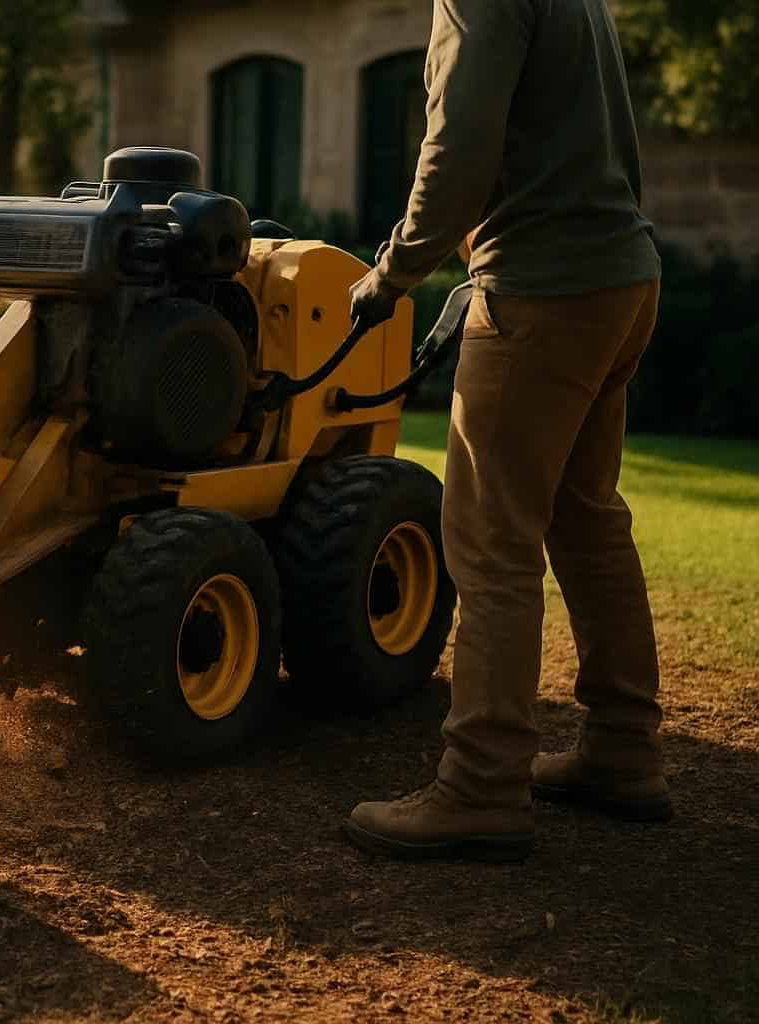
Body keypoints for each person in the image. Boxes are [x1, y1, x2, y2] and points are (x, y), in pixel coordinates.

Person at [343, 0, 668, 861]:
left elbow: (458, 148)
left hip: (540, 290)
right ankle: (623, 749)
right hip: (618, 278)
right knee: (586, 520)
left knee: (491, 541)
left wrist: (392, 273)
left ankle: (482, 785)